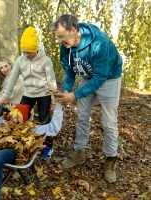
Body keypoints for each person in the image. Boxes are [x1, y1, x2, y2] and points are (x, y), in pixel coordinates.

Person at [52, 14, 123, 183]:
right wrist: (66, 91)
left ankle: (110, 159)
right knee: (82, 115)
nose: (59, 41)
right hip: (87, 76)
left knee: (108, 121)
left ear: (74, 30)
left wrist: (75, 95)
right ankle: (79, 152)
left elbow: (100, 77)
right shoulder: (65, 46)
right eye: (57, 37)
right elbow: (69, 71)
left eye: (61, 36)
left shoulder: (99, 42)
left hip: (109, 78)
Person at [0, 86, 63, 200]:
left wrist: (59, 106)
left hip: (9, 151)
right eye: (13, 113)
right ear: (8, 114)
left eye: (19, 114)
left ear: (25, 118)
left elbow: (54, 128)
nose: (15, 116)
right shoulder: (0, 121)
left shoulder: (30, 128)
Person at [2, 26, 58, 159]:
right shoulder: (20, 60)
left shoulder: (46, 60)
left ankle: (48, 146)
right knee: (19, 118)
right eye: (24, 52)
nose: (26, 55)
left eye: (29, 52)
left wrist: (54, 102)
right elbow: (12, 79)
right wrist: (6, 96)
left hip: (44, 94)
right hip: (28, 94)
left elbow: (52, 82)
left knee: (44, 121)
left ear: (36, 49)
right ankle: (20, 143)